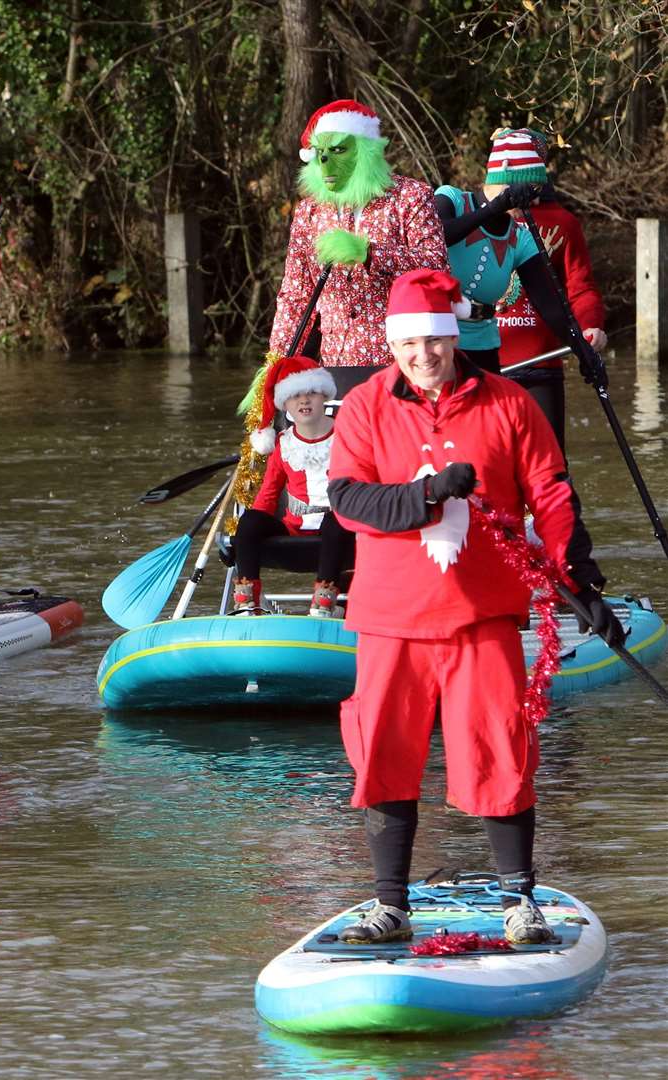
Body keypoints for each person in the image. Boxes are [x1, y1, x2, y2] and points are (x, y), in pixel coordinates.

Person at [323, 267, 621, 947]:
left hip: (483, 613)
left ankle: (520, 900)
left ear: (453, 339)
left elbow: (549, 491)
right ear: (391, 345)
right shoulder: (366, 406)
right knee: (384, 756)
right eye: (408, 344)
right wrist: (426, 493)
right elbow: (348, 501)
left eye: (434, 340)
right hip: (390, 617)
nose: (423, 354)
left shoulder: (510, 404)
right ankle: (390, 904)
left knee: (499, 751)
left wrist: (578, 574)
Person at [268, 99, 447, 367]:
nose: (326, 162)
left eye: (339, 150)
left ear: (365, 151)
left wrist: (371, 255)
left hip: (405, 367)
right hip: (337, 367)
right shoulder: (309, 213)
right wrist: (276, 365)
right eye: (320, 152)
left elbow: (438, 269)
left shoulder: (410, 197)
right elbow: (296, 296)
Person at [485, 128, 609, 450]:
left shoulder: (562, 223)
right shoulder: (475, 221)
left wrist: (589, 326)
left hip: (542, 364)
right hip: (484, 365)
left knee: (550, 465)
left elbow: (580, 288)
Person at [233, 355, 348, 616]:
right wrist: (252, 521)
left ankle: (324, 602)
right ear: (285, 404)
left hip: (339, 527)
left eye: (311, 393)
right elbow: (268, 494)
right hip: (294, 526)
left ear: (324, 397)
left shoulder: (346, 434)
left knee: (337, 520)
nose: (304, 400)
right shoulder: (283, 443)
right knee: (249, 521)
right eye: (295, 396)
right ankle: (247, 602)